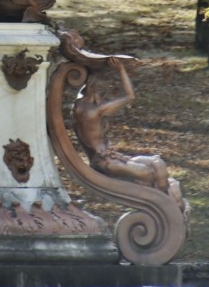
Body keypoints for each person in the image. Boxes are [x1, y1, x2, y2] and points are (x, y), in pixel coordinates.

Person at [73, 58, 181, 201]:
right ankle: (165, 203)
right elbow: (130, 96)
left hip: (108, 157)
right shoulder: (98, 110)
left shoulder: (78, 104)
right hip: (105, 162)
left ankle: (166, 202)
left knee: (157, 162)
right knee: (149, 172)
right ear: (100, 90)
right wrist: (121, 70)